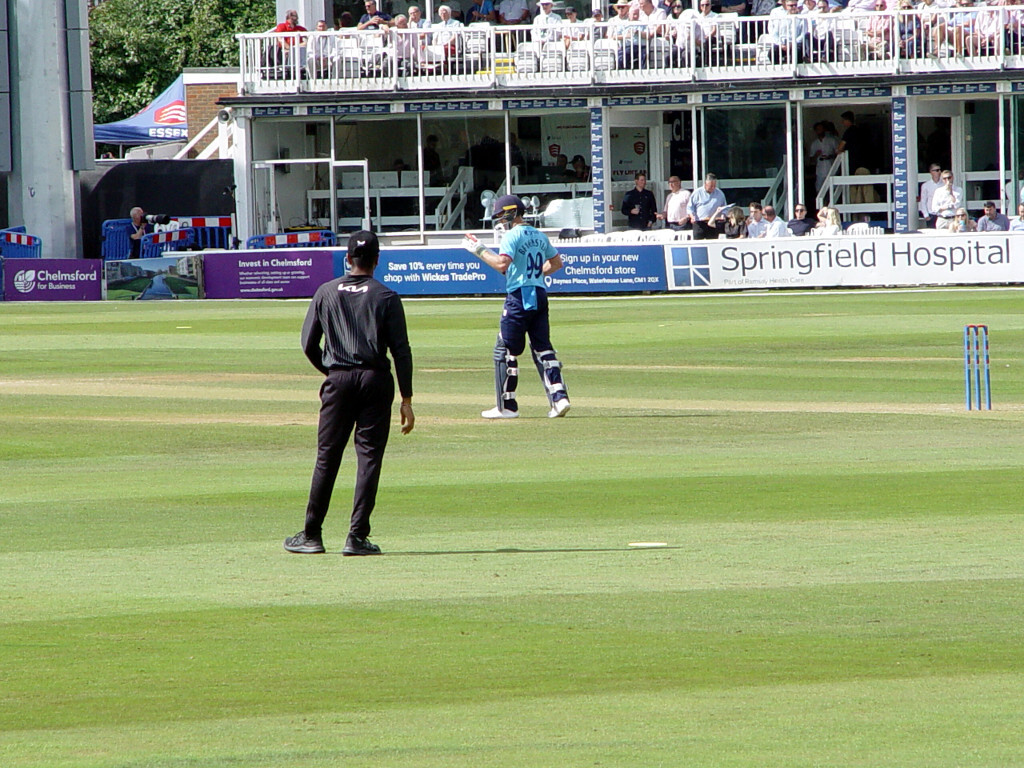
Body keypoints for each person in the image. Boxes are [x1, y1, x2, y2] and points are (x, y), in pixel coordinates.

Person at [285, 230, 415, 557]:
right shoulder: (386, 296)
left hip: (339, 380)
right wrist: (407, 399)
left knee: (327, 457)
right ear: (376, 260)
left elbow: (308, 344)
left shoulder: (326, 291)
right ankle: (356, 537)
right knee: (368, 458)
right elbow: (401, 351)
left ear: (348, 258)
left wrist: (332, 372)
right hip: (375, 380)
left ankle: (312, 535)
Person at [463, 195, 571, 419]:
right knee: (543, 347)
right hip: (538, 293)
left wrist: (479, 250)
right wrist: (535, 275)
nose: (500, 221)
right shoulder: (538, 234)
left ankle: (507, 407)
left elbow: (502, 264)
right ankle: (559, 399)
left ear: (511, 213)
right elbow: (557, 263)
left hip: (519, 295)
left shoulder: (512, 235)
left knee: (504, 349)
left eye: (502, 216)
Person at [687, 172, 728, 239]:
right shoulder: (697, 193)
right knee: (698, 243)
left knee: (712, 242)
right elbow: (689, 208)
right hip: (699, 223)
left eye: (714, 186)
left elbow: (724, 207)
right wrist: (692, 217)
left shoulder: (719, 193)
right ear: (705, 184)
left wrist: (723, 215)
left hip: (713, 223)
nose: (713, 188)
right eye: (711, 186)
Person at [809, 121, 839, 193]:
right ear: (816, 131)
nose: (820, 131)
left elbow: (838, 153)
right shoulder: (814, 144)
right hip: (820, 170)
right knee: (819, 190)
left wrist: (831, 156)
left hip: (831, 168)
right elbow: (811, 160)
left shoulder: (832, 140)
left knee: (833, 189)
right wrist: (816, 155)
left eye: (821, 129)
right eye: (818, 129)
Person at [919, 163, 943, 228]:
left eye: (940, 170)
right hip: (931, 214)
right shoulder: (926, 185)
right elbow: (923, 201)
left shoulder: (944, 184)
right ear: (931, 172)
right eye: (937, 170)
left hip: (942, 214)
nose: (939, 172)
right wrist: (926, 215)